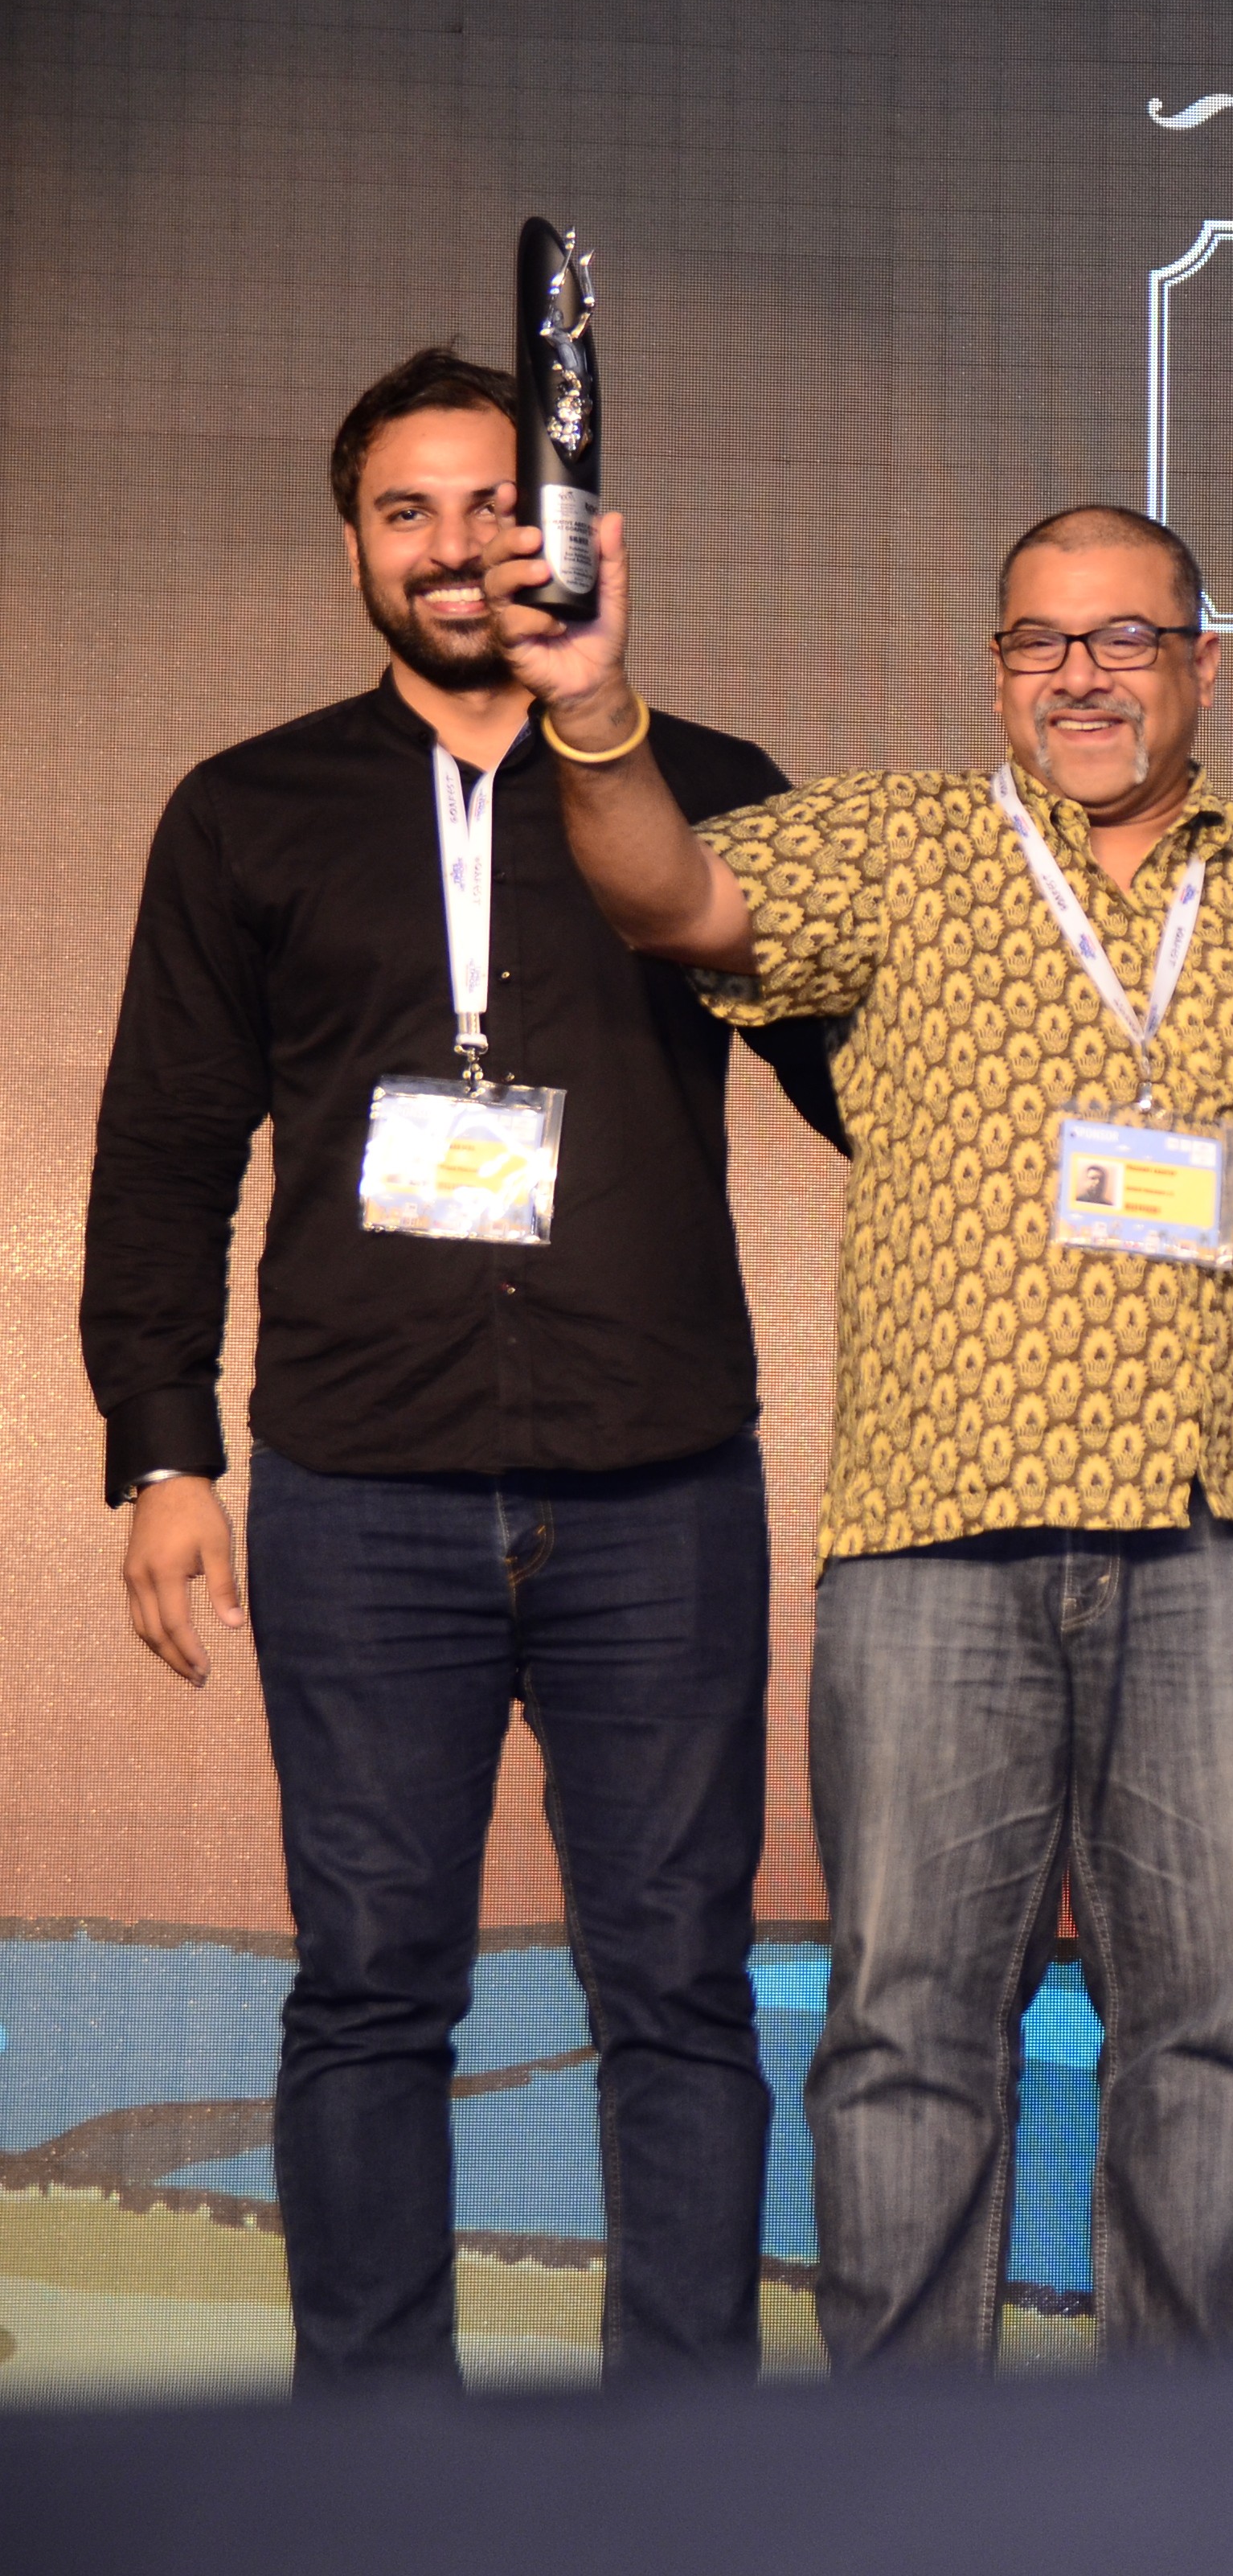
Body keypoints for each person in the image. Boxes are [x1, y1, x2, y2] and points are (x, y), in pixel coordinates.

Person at [488, 497, 1233, 2366]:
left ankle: (1182, 2480)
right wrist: (592, 710)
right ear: (997, 670)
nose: (1080, 676)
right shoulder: (896, 848)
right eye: (1038, 642)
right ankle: (912, 2484)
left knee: (1205, 2035)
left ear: (1203, 662)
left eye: (1123, 637)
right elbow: (670, 899)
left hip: (1222, 1531)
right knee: (907, 2027)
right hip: (935, 1534)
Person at [80, 347, 832, 2387]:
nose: (452, 547)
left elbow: (871, 1085)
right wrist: (163, 1453)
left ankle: (681, 2470)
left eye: (494, 504)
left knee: (679, 1990)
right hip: (358, 1486)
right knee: (367, 1991)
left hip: (659, 1483)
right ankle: (376, 2471)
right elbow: (164, 1150)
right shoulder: (245, 811)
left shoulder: (719, 786)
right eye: (405, 511)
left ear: (567, 527)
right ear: (351, 544)